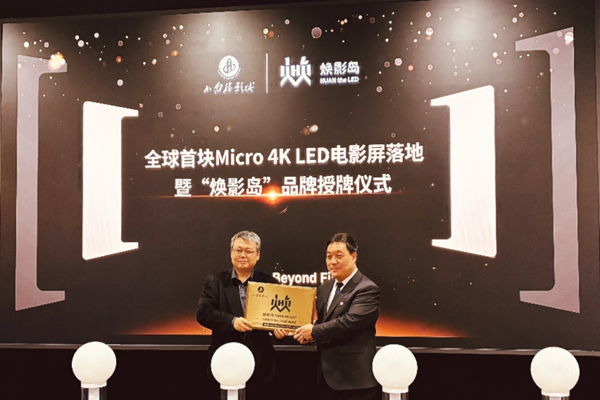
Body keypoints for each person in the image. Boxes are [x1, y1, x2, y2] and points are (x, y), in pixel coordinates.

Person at [196, 230, 287, 399]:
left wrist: (278, 332)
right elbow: (203, 313)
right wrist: (232, 322)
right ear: (231, 252)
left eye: (248, 251)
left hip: (261, 365)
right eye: (238, 250)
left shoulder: (270, 283)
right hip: (226, 363)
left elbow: (276, 319)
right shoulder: (214, 281)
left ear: (258, 255)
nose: (243, 255)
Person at [294, 233, 380, 400]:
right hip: (326, 378)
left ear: (354, 257)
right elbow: (323, 323)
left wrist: (314, 331)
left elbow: (350, 323)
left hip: (354, 381)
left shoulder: (367, 289)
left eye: (339, 256)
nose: (333, 261)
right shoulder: (324, 288)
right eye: (329, 256)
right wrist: (307, 335)